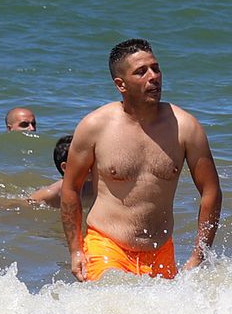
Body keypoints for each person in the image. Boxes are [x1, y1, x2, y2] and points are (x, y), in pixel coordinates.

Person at [61, 39, 221, 280]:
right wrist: (75, 250)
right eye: (141, 71)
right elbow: (70, 189)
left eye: (155, 68)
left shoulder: (185, 127)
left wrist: (200, 254)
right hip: (106, 246)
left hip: (161, 251)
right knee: (111, 307)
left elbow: (211, 191)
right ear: (121, 84)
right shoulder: (95, 127)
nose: (153, 76)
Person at [28, 135, 96, 210]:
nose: (92, 164)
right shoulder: (50, 194)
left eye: (93, 158)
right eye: (85, 161)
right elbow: (23, 205)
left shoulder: (97, 187)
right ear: (65, 168)